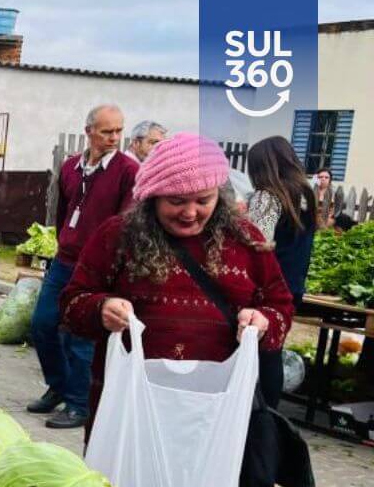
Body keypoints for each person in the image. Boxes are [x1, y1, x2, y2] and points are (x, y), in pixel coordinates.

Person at [61, 132, 294, 427]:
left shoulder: (246, 241)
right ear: (153, 196)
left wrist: (262, 321)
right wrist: (100, 308)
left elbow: (281, 306)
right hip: (131, 410)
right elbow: (71, 302)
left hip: (214, 415)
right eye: (177, 200)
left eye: (203, 200)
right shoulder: (117, 236)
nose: (190, 212)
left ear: (218, 196)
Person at [28, 103, 138, 429]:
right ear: (89, 131)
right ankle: (58, 385)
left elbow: (126, 222)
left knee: (82, 335)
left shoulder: (127, 171)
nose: (114, 137)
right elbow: (62, 209)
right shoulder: (71, 167)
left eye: (119, 130)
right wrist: (63, 239)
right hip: (65, 259)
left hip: (99, 267)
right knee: (43, 323)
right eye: (107, 131)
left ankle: (79, 403)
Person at [246, 136, 318, 308]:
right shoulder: (306, 195)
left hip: (265, 289)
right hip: (293, 286)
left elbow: (258, 244)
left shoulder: (267, 197)